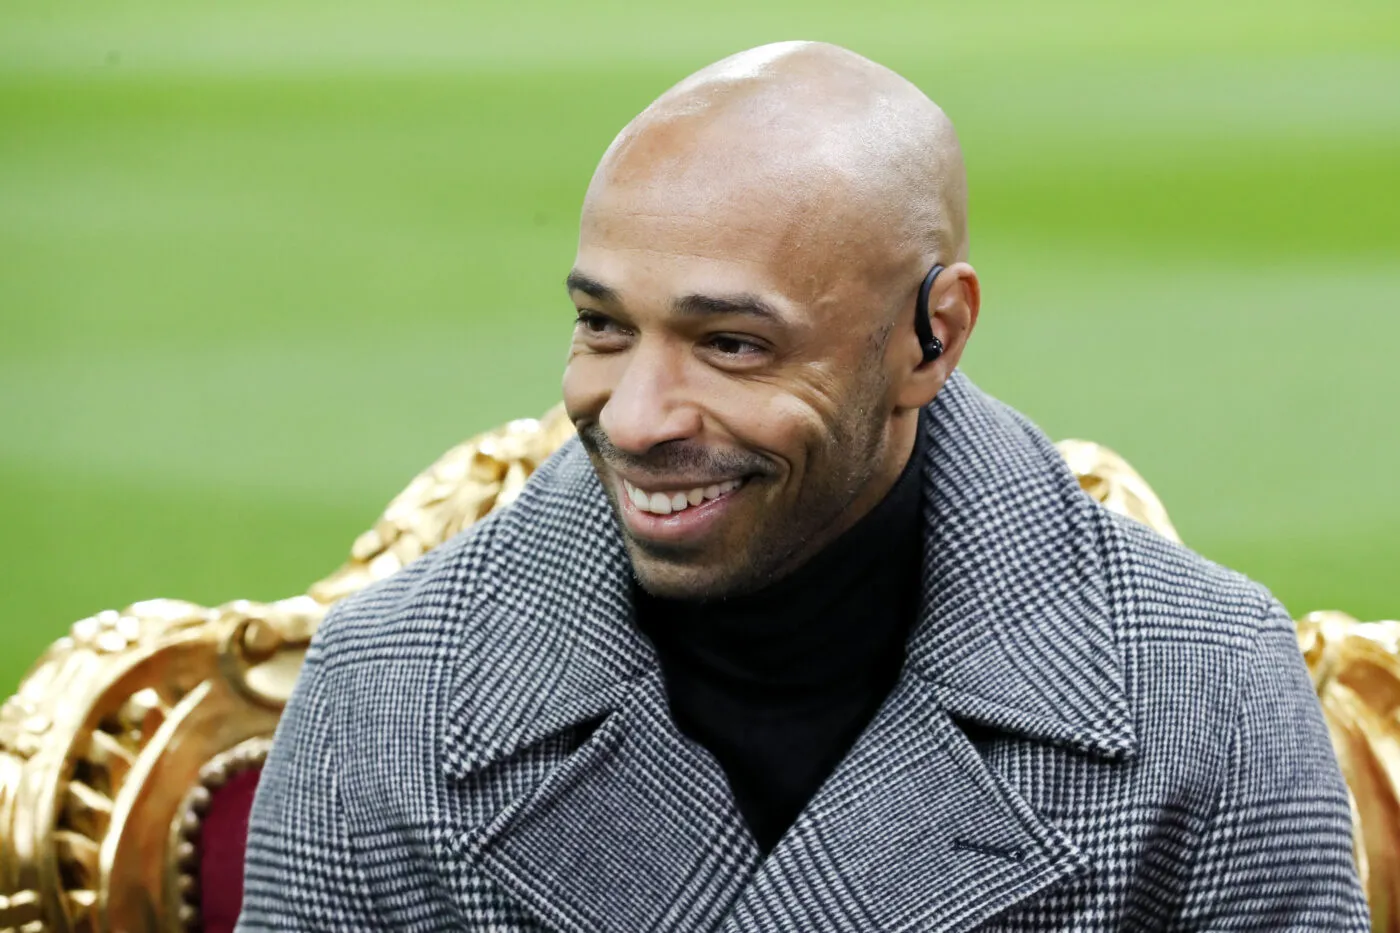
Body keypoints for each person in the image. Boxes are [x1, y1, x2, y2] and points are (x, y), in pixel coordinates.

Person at [238, 41, 1368, 931]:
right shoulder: (381, 693)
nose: (633, 418)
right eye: (600, 327)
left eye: (730, 345)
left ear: (932, 337)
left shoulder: (1209, 689)